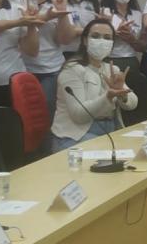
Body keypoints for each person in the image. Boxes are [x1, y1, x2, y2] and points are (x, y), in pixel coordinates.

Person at [52, 19, 138, 153]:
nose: (101, 41)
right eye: (96, 36)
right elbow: (79, 115)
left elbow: (133, 104)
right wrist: (107, 97)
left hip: (110, 128)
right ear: (85, 40)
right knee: (113, 156)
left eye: (107, 38)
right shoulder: (72, 70)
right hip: (75, 134)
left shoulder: (112, 69)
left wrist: (123, 93)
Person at [14, 0, 78, 116]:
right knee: (24, 114)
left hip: (51, 68)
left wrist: (62, 14)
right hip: (21, 67)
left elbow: (65, 39)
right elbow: (18, 27)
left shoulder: (57, 0)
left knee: (45, 112)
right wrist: (47, 16)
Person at [99, 0, 145, 75]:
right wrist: (115, 33)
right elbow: (97, 41)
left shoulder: (137, 14)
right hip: (109, 60)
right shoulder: (104, 12)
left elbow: (143, 47)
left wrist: (132, 39)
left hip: (131, 60)